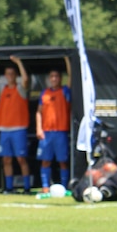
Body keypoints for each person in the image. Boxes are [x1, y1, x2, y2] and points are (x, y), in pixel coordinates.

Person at [0, 55, 32, 194]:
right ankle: (8, 187)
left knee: (21, 159)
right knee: (6, 159)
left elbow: (25, 80)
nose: (10, 76)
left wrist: (19, 62)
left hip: (19, 128)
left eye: (12, 74)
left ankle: (26, 187)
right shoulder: (2, 89)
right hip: (4, 129)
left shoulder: (21, 89)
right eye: (8, 74)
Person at [35, 60, 72, 192]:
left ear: (60, 78)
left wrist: (67, 61)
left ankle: (64, 186)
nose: (54, 79)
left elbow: (71, 78)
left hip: (60, 132)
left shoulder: (65, 91)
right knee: (45, 160)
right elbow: (39, 112)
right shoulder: (44, 93)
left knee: (62, 161)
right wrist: (39, 128)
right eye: (52, 76)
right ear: (49, 79)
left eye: (56, 76)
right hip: (46, 132)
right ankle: (45, 186)